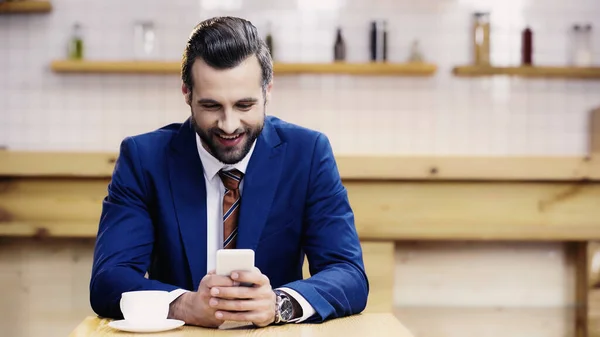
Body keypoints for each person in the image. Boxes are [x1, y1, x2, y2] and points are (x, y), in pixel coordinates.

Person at [89, 16, 368, 328]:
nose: (229, 124)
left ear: (268, 92)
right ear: (187, 94)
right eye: (211, 106)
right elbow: (108, 280)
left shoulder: (307, 153)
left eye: (244, 105)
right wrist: (185, 305)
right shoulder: (144, 159)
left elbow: (348, 274)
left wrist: (279, 304)